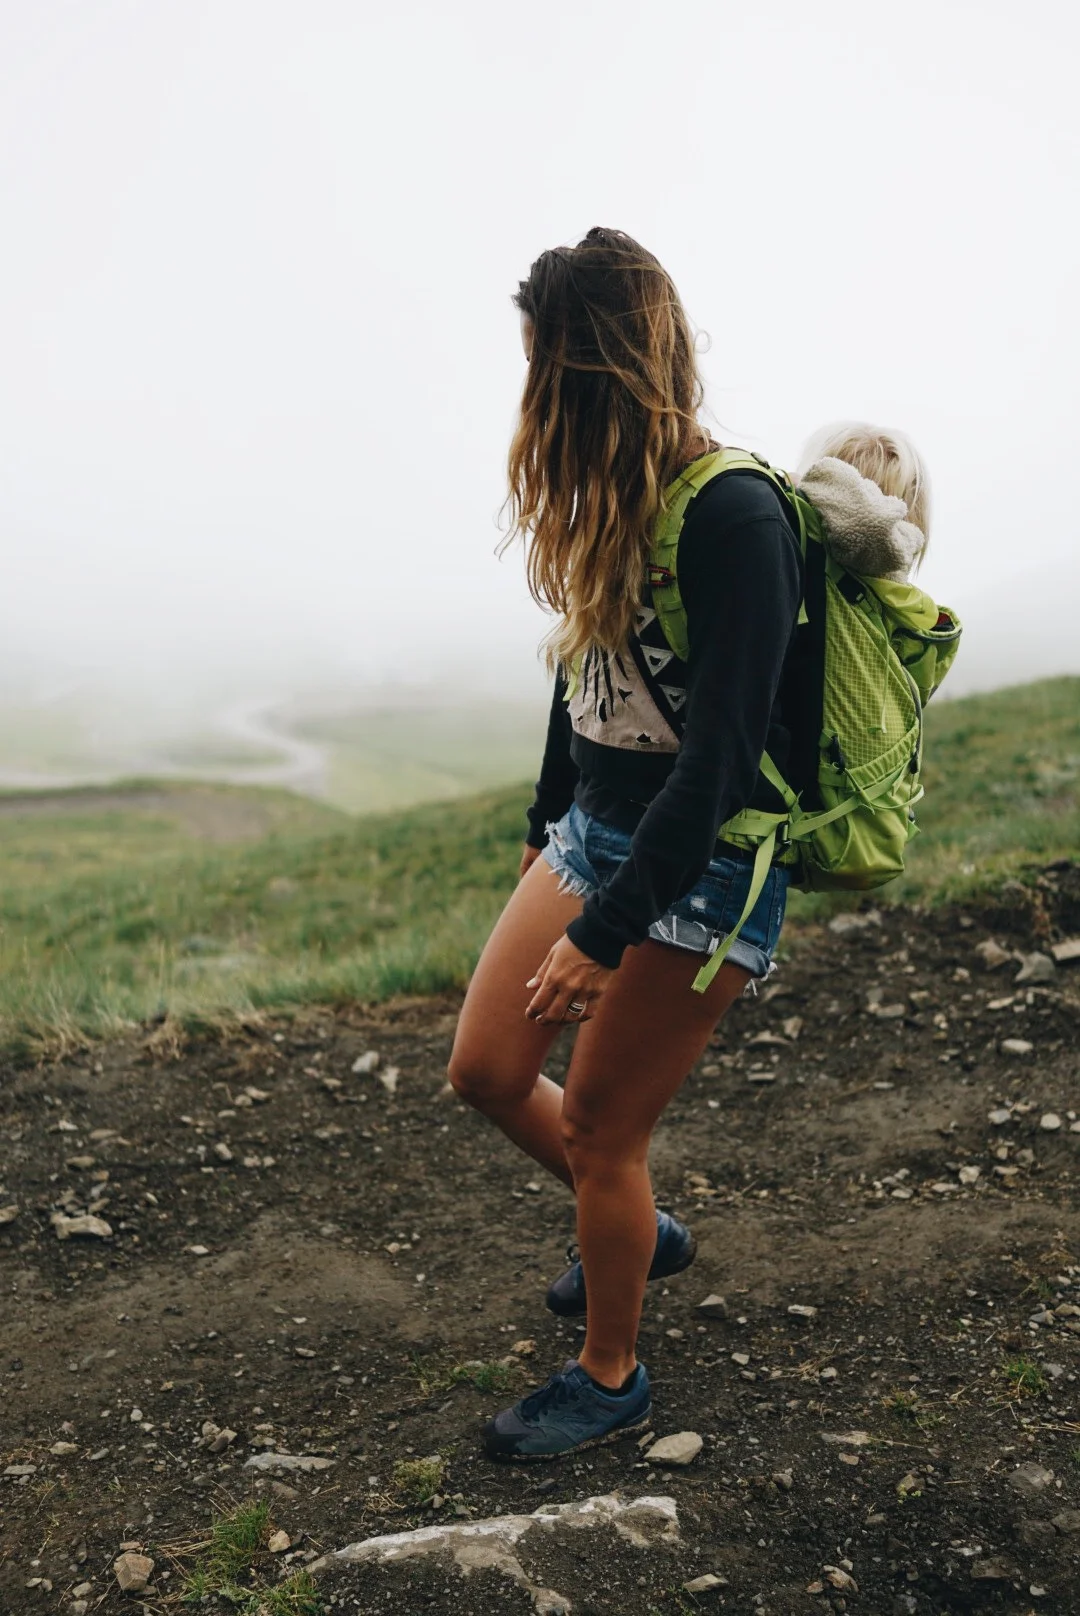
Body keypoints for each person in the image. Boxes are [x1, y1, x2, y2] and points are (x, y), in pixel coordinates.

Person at [447, 227, 806, 1460]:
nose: (531, 388)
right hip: (597, 828)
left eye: (543, 358)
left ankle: (611, 1373)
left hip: (703, 864)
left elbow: (716, 764)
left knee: (603, 1131)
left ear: (590, 364)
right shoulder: (617, 495)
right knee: (486, 1067)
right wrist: (544, 840)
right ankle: (636, 1230)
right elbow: (584, 679)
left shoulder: (737, 515)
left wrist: (606, 932)